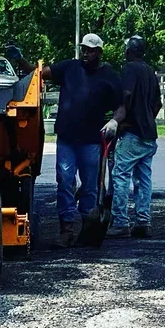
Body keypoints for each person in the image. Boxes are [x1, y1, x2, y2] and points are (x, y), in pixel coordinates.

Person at [42, 33, 120, 245]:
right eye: (84, 49)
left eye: (91, 50)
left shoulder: (109, 75)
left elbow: (121, 105)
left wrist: (114, 121)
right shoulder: (69, 68)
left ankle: (88, 226)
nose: (86, 53)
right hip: (67, 138)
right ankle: (66, 228)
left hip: (91, 141)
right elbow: (40, 73)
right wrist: (21, 61)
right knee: (65, 181)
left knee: (90, 186)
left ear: (99, 52)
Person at [109, 36, 161, 239]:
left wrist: (120, 122)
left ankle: (120, 221)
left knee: (121, 176)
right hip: (149, 133)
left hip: (132, 132)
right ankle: (143, 221)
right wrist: (147, 118)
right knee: (144, 179)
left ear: (129, 51)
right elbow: (157, 103)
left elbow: (127, 95)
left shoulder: (130, 69)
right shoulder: (150, 71)